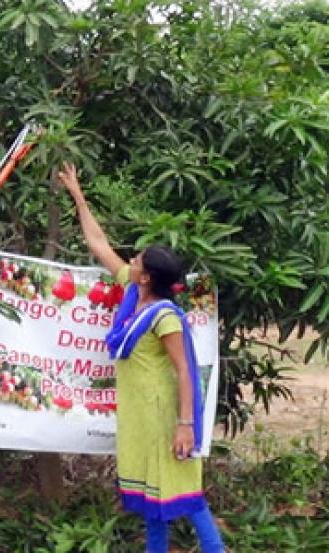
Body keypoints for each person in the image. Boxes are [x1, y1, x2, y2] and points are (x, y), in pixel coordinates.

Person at [55, 163, 224, 553]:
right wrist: (77, 195)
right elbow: (98, 244)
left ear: (146, 277)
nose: (130, 260)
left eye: (137, 260)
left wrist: (185, 426)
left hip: (163, 414)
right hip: (138, 415)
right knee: (154, 501)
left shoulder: (164, 315)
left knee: (186, 494)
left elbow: (184, 370)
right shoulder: (133, 294)